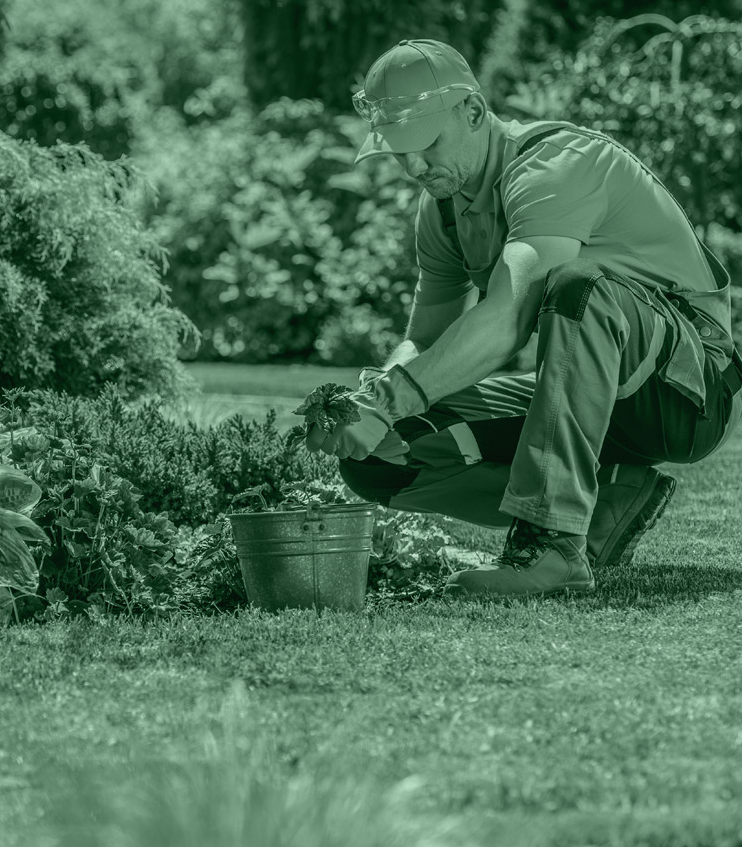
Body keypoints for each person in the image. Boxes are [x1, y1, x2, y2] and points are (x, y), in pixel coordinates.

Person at [303, 39, 742, 600]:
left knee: (577, 286)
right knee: (385, 458)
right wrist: (371, 405)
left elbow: (510, 316)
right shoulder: (442, 204)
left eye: (427, 143)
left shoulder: (555, 166)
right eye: (396, 150)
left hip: (688, 393)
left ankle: (552, 542)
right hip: (592, 390)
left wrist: (391, 398)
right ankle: (611, 498)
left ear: (474, 112)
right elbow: (426, 338)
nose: (413, 166)